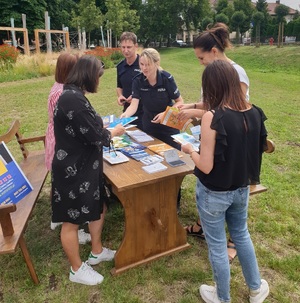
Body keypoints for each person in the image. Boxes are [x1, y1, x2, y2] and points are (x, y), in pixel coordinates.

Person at [181, 60, 269, 303]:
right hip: (241, 189)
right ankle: (255, 288)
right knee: (241, 235)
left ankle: (222, 296)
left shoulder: (213, 117)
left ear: (212, 86)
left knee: (218, 245)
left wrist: (190, 149)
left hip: (214, 193)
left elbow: (206, 165)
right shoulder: (255, 112)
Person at [51, 55, 126, 285]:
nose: (99, 82)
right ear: (88, 76)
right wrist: (114, 131)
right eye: (98, 78)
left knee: (99, 206)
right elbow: (96, 136)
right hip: (73, 170)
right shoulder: (72, 99)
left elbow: (87, 124)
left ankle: (96, 251)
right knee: (71, 221)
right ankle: (76, 269)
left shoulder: (74, 95)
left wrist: (99, 123)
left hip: (85, 167)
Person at [178, 23, 250, 263]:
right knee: (209, 184)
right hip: (214, 137)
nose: (200, 63)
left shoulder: (236, 72)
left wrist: (194, 114)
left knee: (225, 187)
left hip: (229, 142)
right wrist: (189, 106)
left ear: (214, 52)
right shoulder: (215, 71)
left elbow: (227, 110)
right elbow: (209, 102)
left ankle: (231, 239)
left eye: (201, 58)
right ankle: (202, 223)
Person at [45, 52, 90, 244]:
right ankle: (69, 221)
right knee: (68, 184)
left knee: (60, 182)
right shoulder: (63, 93)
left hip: (56, 138)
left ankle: (58, 216)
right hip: (61, 141)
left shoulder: (59, 88)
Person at [120, 47, 184, 149]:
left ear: (157, 63)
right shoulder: (137, 80)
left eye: (148, 64)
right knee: (152, 153)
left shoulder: (166, 78)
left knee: (174, 157)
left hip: (169, 124)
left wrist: (165, 114)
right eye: (142, 64)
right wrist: (125, 116)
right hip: (150, 124)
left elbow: (180, 101)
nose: (144, 68)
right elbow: (133, 105)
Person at [116, 32, 143, 130]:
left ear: (136, 46)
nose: (125, 50)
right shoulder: (120, 66)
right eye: (123, 47)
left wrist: (136, 96)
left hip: (144, 112)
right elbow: (119, 86)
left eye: (129, 47)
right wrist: (120, 96)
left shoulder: (143, 64)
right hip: (128, 112)